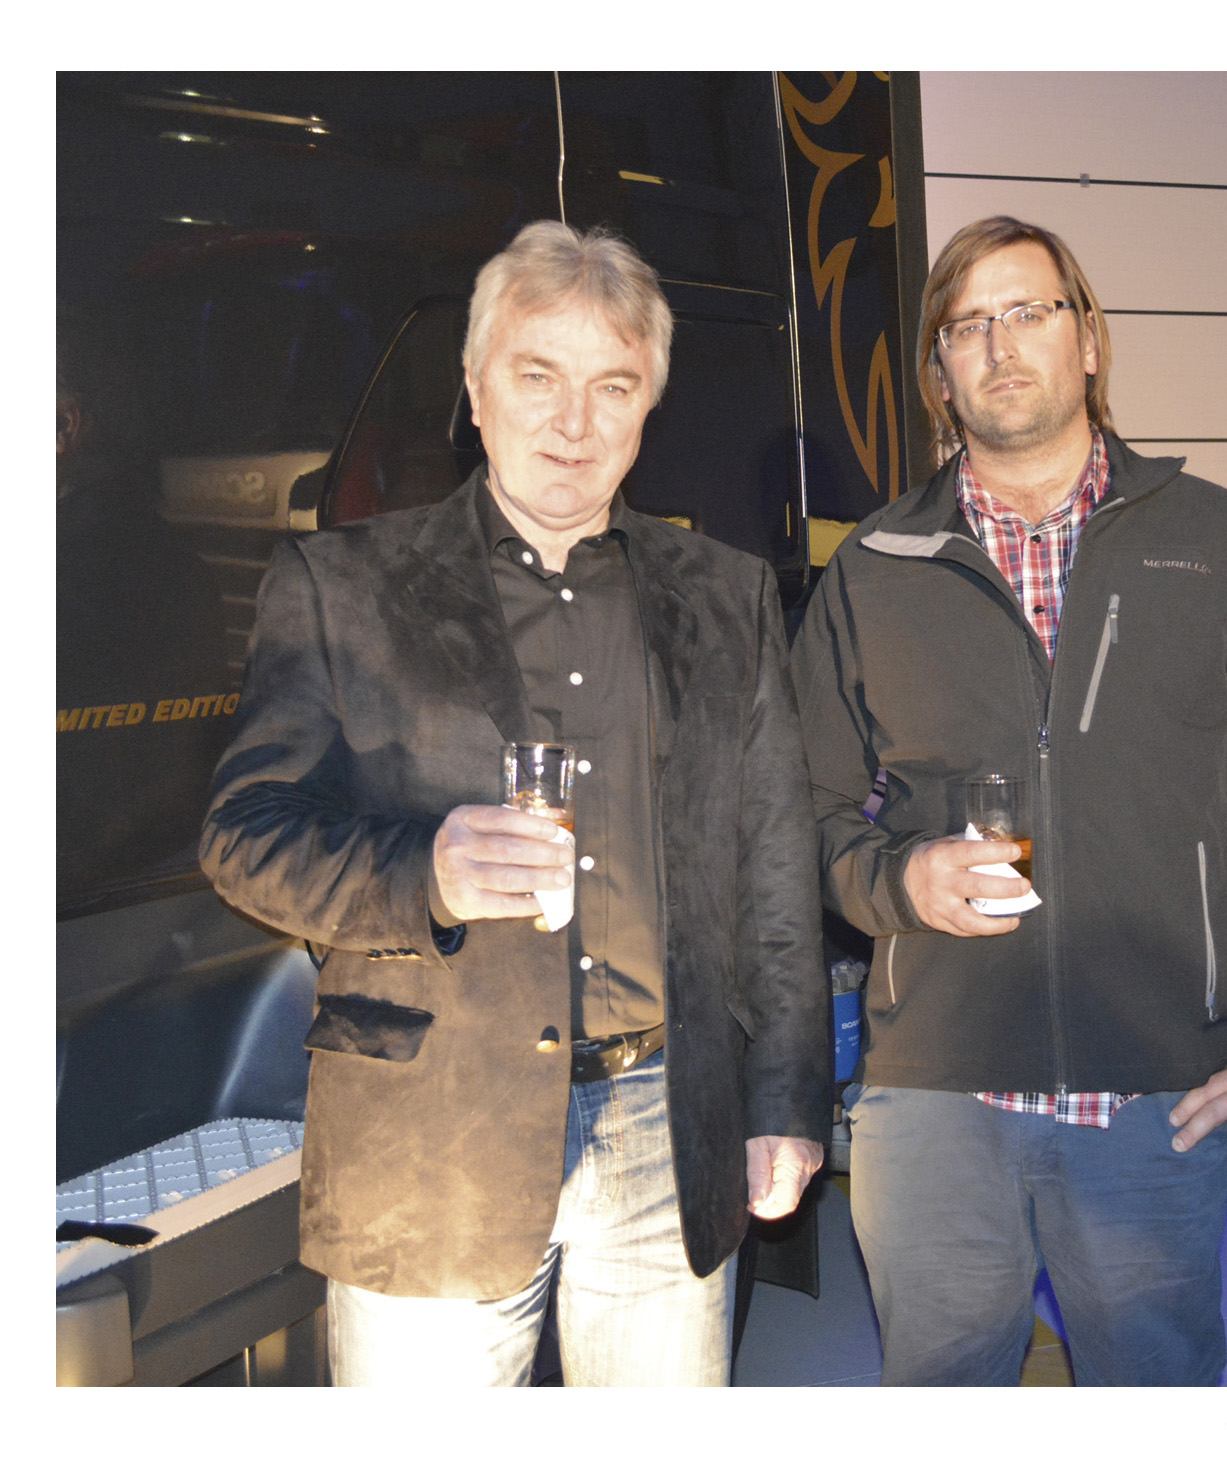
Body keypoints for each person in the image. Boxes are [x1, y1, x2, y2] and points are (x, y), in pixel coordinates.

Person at [201, 220, 830, 1387]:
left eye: (612, 387)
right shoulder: (341, 584)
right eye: (538, 376)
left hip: (662, 1128)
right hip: (430, 1139)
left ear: (648, 407)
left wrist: (787, 1100)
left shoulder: (724, 595)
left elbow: (774, 864)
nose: (573, 423)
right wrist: (425, 871)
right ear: (475, 387)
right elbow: (244, 837)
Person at [790, 215, 1227, 1386]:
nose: (998, 344)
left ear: (1088, 340)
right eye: (966, 325)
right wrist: (895, 881)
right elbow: (797, 817)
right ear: (937, 372)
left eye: (1028, 311)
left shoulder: (1214, 543)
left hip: (1155, 1097)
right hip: (934, 1104)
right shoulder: (873, 568)